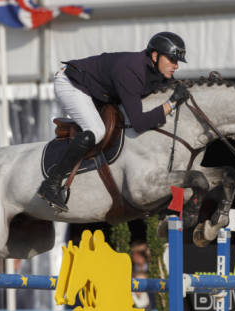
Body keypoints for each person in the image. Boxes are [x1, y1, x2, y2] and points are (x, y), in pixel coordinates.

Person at [36, 32, 191, 213]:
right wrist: (171, 103)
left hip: (98, 90)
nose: (176, 66)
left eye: (177, 61)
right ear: (155, 56)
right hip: (72, 83)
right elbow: (140, 122)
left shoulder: (158, 70)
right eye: (172, 59)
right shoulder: (131, 72)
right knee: (96, 130)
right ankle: (50, 184)